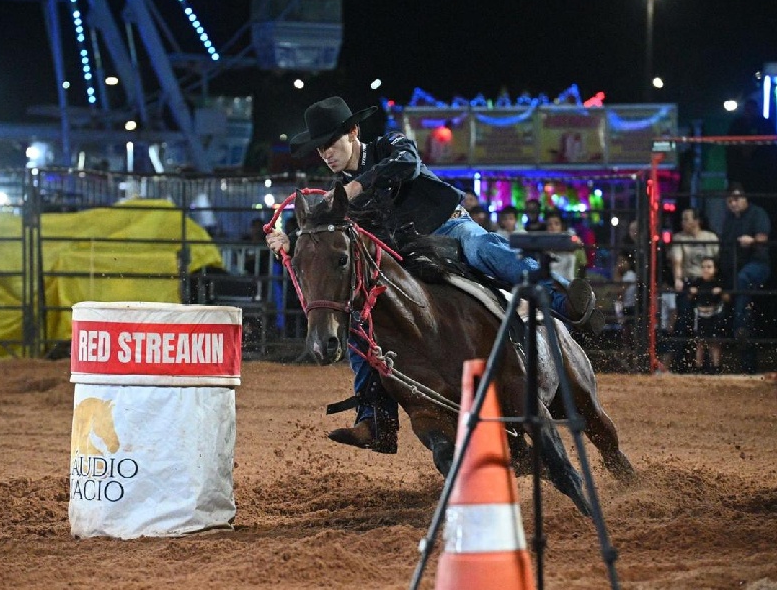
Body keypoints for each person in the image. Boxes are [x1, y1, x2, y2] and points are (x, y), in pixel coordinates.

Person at [267, 96, 603, 450]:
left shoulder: (389, 146)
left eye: (330, 144)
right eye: (320, 150)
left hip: (449, 228)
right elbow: (324, 241)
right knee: (361, 321)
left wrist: (357, 186)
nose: (326, 154)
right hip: (407, 258)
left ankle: (564, 301)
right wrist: (288, 243)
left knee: (483, 249)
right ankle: (375, 418)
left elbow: (407, 163)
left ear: (353, 132)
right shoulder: (337, 199)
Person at [718, 184, 771, 374]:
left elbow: (763, 237)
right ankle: (746, 365)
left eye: (736, 199)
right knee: (740, 306)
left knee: (743, 282)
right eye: (730, 201)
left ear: (745, 198)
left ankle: (739, 327)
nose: (733, 204)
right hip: (734, 270)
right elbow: (724, 247)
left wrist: (753, 241)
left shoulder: (757, 213)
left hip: (757, 265)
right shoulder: (729, 220)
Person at [669, 208, 719, 372]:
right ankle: (681, 364)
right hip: (689, 282)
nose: (683, 222)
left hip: (709, 282)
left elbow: (718, 262)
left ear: (697, 221)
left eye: (687, 219)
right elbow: (677, 260)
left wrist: (717, 282)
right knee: (683, 320)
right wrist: (678, 279)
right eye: (682, 219)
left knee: (713, 325)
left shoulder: (710, 237)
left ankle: (712, 366)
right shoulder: (679, 238)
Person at [687, 257, 725, 374]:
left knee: (715, 342)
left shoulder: (718, 282)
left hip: (714, 314)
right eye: (703, 267)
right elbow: (689, 298)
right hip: (700, 315)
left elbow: (727, 298)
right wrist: (692, 292)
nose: (705, 270)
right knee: (699, 343)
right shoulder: (697, 282)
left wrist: (721, 292)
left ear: (715, 269)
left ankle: (716, 368)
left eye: (709, 267)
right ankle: (698, 368)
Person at [545, 210, 587, 281]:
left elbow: (582, 267)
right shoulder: (543, 245)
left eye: (556, 224)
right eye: (549, 224)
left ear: (562, 226)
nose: (553, 227)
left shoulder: (573, 243)